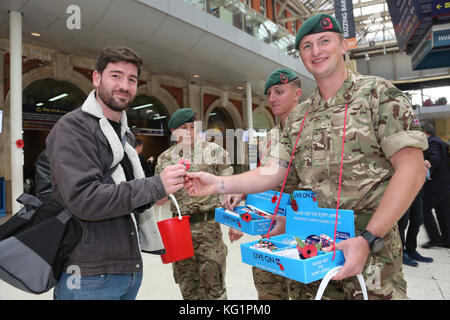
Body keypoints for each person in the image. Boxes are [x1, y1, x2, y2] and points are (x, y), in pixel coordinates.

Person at [185, 14, 428, 300]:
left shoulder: (378, 95)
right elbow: (274, 172)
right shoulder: (299, 117)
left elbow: (411, 170)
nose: (316, 51)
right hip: (311, 250)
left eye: (325, 41)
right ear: (300, 56)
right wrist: (218, 183)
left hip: (371, 249)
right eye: (307, 46)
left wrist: (368, 237)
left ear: (343, 46)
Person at [46, 46, 186, 300]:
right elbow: (84, 200)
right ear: (96, 78)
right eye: (116, 76)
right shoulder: (73, 128)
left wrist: (162, 191)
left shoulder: (123, 133)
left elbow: (128, 197)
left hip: (126, 270)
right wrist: (155, 185)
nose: (124, 85)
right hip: (88, 275)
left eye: (132, 79)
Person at [226, 68, 302, 300]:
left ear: (297, 93)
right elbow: (264, 181)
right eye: (269, 93)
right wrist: (242, 210)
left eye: (279, 91)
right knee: (268, 294)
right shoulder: (269, 138)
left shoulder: (313, 132)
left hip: (302, 236)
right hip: (269, 234)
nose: (272, 98)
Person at [155, 107, 239, 300]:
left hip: (208, 229)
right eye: (184, 128)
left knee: (215, 289)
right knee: (188, 288)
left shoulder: (214, 152)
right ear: (174, 132)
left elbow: (231, 188)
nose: (190, 132)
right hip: (179, 230)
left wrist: (236, 223)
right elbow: (159, 199)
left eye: (193, 127)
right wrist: (163, 189)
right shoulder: (165, 159)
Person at [397, 159, 433, 267]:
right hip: (403, 187)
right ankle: (401, 253)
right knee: (402, 224)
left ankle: (411, 250)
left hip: (416, 188)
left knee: (417, 220)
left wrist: (423, 163)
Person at [420, 121, 450, 249]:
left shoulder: (432, 142)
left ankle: (434, 238)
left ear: (424, 133)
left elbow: (434, 159)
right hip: (444, 184)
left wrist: (428, 170)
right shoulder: (440, 141)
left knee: (424, 210)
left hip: (436, 186)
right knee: (443, 212)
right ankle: (446, 239)